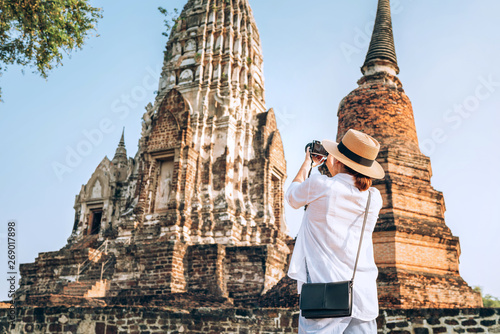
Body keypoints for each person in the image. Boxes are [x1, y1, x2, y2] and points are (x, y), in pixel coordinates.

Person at [286, 129, 385, 334]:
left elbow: (292, 197)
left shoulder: (320, 185)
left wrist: (309, 164)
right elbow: (348, 187)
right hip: (362, 295)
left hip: (325, 294)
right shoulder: (373, 198)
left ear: (339, 160)